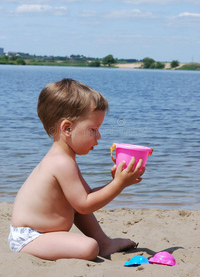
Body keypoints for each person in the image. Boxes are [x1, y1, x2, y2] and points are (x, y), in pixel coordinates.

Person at [8, 78, 145, 261]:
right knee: (89, 247)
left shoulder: (65, 159)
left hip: (44, 234)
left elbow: (85, 197)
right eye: (93, 129)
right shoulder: (61, 162)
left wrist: (115, 182)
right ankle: (101, 244)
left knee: (79, 209)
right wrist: (118, 184)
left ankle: (104, 243)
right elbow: (85, 204)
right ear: (67, 128)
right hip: (31, 237)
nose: (99, 136)